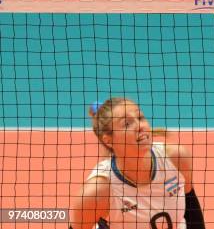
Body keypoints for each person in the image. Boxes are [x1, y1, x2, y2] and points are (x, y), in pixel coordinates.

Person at [70, 97, 206, 229]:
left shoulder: (176, 158)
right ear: (108, 140)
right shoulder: (96, 193)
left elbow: (192, 212)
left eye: (140, 118)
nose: (140, 126)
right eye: (127, 124)